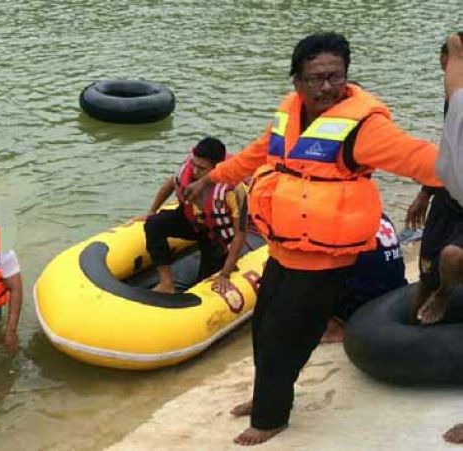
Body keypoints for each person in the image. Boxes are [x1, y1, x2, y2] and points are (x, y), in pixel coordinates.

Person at [184, 32, 441, 446]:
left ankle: (271, 417)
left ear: (346, 76)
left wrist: (449, 176)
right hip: (284, 249)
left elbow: (420, 158)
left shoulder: (365, 127)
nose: (326, 87)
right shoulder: (289, 114)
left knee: (289, 334)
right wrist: (213, 178)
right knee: (265, 326)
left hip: (324, 259)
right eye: (315, 78)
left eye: (334, 77)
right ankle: (266, 394)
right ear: (297, 81)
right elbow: (256, 154)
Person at [142, 137, 249, 294]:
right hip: (192, 220)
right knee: (153, 224)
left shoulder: (234, 190)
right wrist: (152, 211)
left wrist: (225, 274)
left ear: (217, 168)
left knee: (204, 279)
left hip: (216, 233)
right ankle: (166, 282)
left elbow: (240, 234)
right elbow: (170, 184)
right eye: (195, 165)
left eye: (202, 168)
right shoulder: (187, 170)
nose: (195, 171)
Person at [408, 33, 463, 327]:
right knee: (428, 264)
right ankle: (412, 328)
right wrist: (425, 193)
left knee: (453, 256)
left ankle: (443, 294)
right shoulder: (454, 102)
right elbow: (448, 151)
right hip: (448, 195)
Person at [321, 213, 407, 343]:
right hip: (395, 294)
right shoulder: (379, 215)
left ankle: (332, 329)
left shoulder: (331, 222)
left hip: (360, 307)